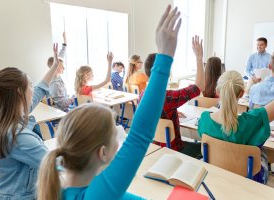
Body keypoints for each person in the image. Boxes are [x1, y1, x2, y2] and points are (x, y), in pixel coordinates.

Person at [37, 5, 182, 200]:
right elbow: (139, 135)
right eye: (116, 136)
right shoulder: (97, 196)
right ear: (102, 153)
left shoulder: (58, 177)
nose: (121, 141)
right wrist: (164, 58)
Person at [198, 28, 274, 184]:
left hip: (215, 177)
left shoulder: (204, 119)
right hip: (248, 179)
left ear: (217, 90)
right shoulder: (252, 120)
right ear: (242, 93)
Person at [0, 44, 60, 199]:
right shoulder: (18, 136)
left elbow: (40, 90)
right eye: (31, 85)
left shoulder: (4, 116)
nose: (34, 89)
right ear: (20, 93)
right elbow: (54, 166)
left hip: (5, 191)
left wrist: (54, 66)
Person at [139, 35, 205, 157]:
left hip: (155, 148)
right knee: (207, 148)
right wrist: (199, 57)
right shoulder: (167, 97)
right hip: (174, 151)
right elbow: (200, 86)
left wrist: (171, 111)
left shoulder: (142, 94)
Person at [47, 32, 74, 111]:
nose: (64, 68)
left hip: (65, 108)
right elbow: (63, 105)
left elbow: (61, 54)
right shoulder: (55, 84)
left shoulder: (56, 77)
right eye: (62, 66)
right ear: (56, 67)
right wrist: (73, 99)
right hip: (61, 112)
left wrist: (65, 41)